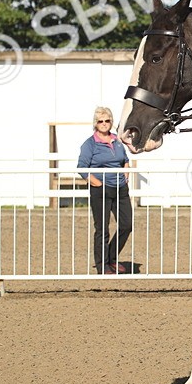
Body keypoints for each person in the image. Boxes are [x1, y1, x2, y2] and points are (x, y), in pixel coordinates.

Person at [78, 106, 134, 274]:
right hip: (100, 190)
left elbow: (125, 159)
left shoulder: (117, 141)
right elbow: (82, 167)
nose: (104, 124)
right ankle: (102, 265)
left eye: (107, 120)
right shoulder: (90, 144)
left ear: (111, 122)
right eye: (100, 121)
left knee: (126, 225)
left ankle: (111, 257)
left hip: (120, 189)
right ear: (95, 124)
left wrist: (126, 170)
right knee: (102, 229)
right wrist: (94, 182)